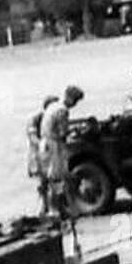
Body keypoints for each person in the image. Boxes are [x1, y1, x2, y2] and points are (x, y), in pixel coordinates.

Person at [39, 86, 84, 219]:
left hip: (45, 143)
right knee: (57, 178)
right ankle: (55, 211)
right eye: (75, 101)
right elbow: (63, 132)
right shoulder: (62, 110)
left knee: (52, 177)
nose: (75, 105)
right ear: (70, 98)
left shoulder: (53, 106)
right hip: (54, 144)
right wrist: (76, 132)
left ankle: (54, 209)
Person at [26, 95, 57, 216]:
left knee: (52, 181)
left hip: (48, 153)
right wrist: (43, 145)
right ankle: (43, 208)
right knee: (42, 183)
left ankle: (51, 207)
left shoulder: (50, 118)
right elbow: (33, 137)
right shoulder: (35, 118)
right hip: (37, 154)